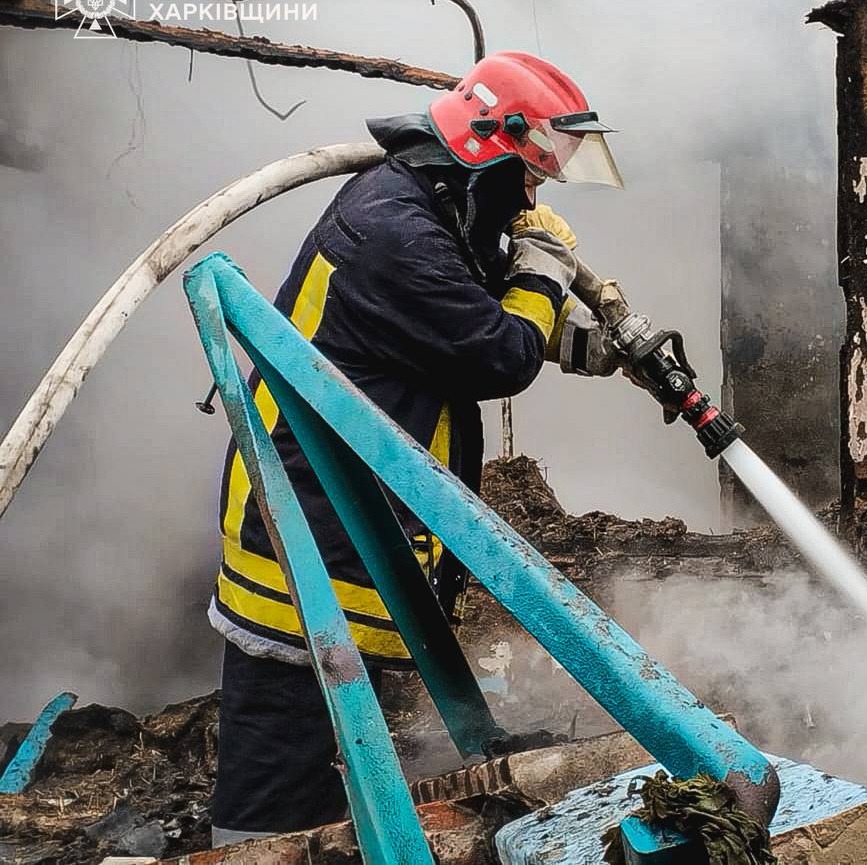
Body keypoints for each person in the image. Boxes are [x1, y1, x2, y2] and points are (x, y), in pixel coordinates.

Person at [208, 51, 625, 845]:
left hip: (337, 520)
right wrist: (545, 267)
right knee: (272, 802)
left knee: (329, 786)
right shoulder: (394, 231)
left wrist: (583, 347)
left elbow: (446, 323)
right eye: (533, 175)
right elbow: (494, 354)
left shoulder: (424, 205)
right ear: (488, 148)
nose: (537, 196)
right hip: (307, 543)